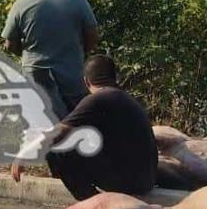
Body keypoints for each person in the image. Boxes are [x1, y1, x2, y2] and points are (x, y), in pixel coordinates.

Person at [12, 55, 157, 200]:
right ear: (114, 77)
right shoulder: (127, 98)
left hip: (127, 182)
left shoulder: (97, 100)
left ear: (86, 81)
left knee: (58, 149)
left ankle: (91, 202)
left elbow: (60, 132)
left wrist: (25, 153)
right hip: (146, 179)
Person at [2, 0, 98, 120]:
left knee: (41, 131)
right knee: (77, 128)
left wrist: (26, 54)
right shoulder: (78, 1)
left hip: (37, 84)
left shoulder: (21, 5)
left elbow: (10, 44)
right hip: (73, 81)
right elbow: (92, 39)